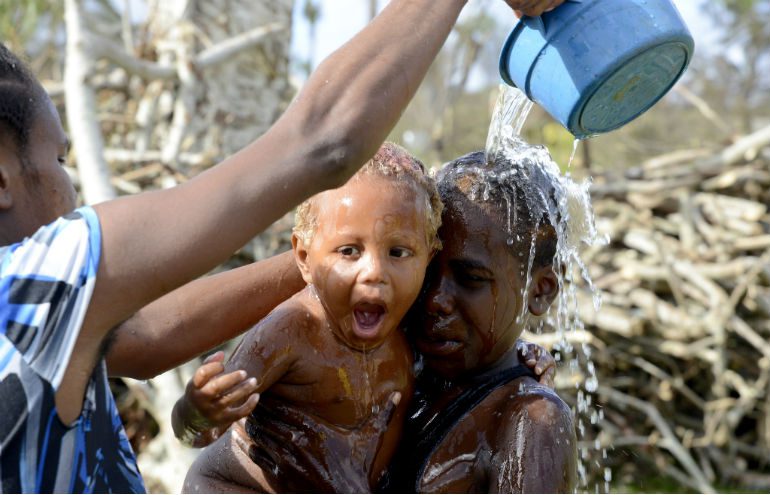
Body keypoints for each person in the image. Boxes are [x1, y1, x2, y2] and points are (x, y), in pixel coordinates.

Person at [0, 0, 562, 491]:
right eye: (59, 159)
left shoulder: (39, 322)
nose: (69, 186)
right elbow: (324, 144)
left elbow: (142, 338)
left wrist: (343, 260)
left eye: (402, 255)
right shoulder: (35, 282)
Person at [245, 145, 579, 493]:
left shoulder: (531, 421)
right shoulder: (396, 361)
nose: (434, 299)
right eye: (425, 270)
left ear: (539, 291)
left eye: (471, 279)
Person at [175, 143, 441, 491]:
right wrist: (196, 413)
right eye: (349, 251)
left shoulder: (410, 337)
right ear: (304, 257)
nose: (375, 272)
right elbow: (199, 434)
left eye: (398, 252)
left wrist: (533, 358)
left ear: (429, 259)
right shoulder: (292, 330)